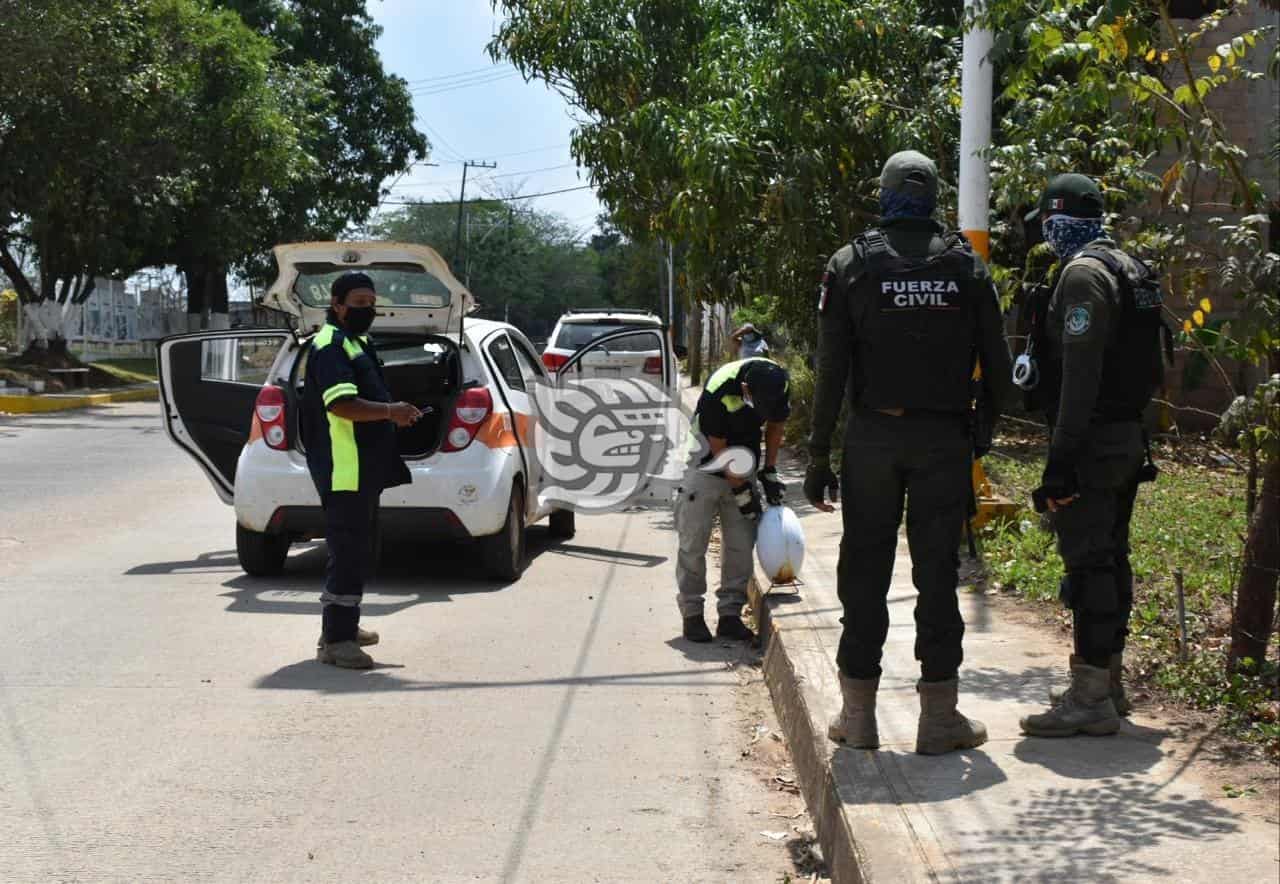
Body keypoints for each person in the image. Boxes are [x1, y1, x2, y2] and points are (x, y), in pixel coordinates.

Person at [804, 150, 1013, 755]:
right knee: (938, 577)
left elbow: (830, 369)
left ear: (885, 194)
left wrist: (819, 456)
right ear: (935, 197)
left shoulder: (849, 265)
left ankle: (859, 717)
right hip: (943, 441)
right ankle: (939, 718)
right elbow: (998, 369)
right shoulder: (967, 268)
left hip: (871, 438)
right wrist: (984, 434)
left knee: (863, 574)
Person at [1018, 174, 1166, 738]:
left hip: (1093, 440)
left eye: (1047, 223)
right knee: (1110, 556)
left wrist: (1061, 460)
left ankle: (1089, 700)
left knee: (1087, 562)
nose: (1046, 233)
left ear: (1058, 219)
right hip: (1124, 437)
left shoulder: (1083, 276)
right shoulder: (1128, 266)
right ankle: (1108, 681)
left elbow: (1080, 378)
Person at [305, 272, 422, 669]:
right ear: (337, 304)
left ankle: (343, 625)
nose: (367, 310)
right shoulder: (330, 346)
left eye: (371, 303)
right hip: (344, 469)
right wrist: (392, 412)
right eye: (358, 303)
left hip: (362, 469)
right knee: (348, 552)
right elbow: (342, 405)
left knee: (361, 551)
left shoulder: (358, 342)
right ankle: (336, 640)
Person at [676, 357, 791, 643]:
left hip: (745, 461)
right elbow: (718, 444)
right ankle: (692, 614)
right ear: (745, 389)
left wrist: (770, 470)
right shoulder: (720, 386)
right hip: (703, 461)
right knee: (693, 541)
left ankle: (729, 615)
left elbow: (776, 426)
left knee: (741, 543)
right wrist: (740, 490)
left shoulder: (779, 383)